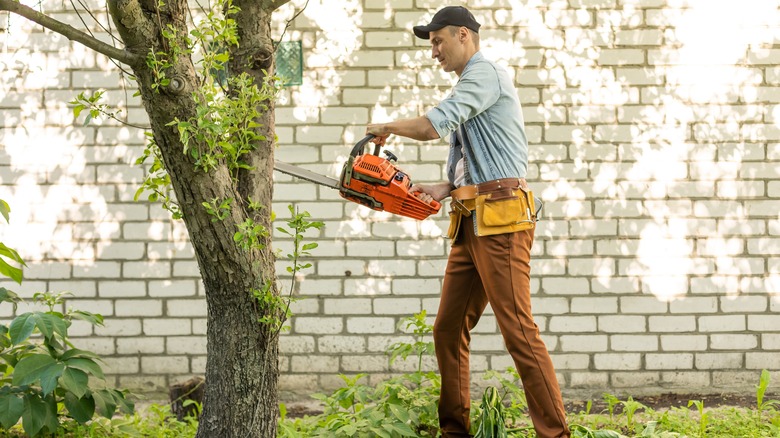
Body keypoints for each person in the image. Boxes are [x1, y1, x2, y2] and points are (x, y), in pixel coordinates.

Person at [365, 6, 570, 438]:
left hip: (501, 219)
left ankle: (555, 434)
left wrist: (387, 126)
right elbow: (478, 162)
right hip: (470, 220)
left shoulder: (484, 74)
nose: (434, 51)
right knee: (448, 328)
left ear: (464, 35)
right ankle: (455, 431)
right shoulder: (470, 85)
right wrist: (445, 187)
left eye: (438, 41)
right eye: (431, 43)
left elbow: (432, 126)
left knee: (518, 330)